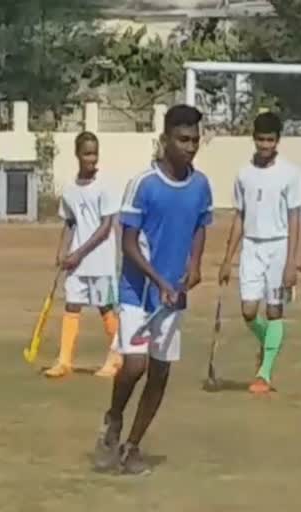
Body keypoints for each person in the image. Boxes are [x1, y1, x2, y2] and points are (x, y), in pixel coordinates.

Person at [92, 105, 212, 474]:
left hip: (172, 297)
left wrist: (193, 267)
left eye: (194, 140)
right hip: (137, 294)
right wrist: (158, 281)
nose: (189, 147)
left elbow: (200, 226)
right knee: (134, 365)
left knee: (160, 373)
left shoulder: (201, 185)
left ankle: (132, 447)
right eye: (182, 139)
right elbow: (127, 242)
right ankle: (113, 417)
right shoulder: (144, 184)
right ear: (165, 140)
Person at [218, 112, 301, 395]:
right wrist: (227, 259)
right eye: (261, 140)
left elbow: (295, 218)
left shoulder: (291, 173)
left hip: (279, 246)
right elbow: (239, 216)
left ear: (278, 141)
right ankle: (268, 341)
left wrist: (292, 262)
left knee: (274, 310)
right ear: (253, 139)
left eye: (270, 140)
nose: (265, 146)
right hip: (252, 246)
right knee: (248, 311)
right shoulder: (243, 174)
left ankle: (264, 373)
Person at [43, 131, 122, 379]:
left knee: (105, 307)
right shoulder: (69, 188)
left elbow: (105, 227)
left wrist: (79, 252)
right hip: (77, 261)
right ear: (77, 154)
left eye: (95, 153)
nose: (92, 159)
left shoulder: (105, 185)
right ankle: (64, 360)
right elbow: (69, 223)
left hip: (101, 260)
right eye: (87, 154)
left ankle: (117, 356)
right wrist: (62, 251)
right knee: (72, 304)